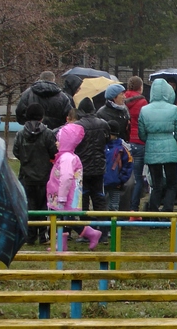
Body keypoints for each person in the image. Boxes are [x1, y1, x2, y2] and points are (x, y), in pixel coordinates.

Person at [46, 123, 102, 250]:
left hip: (64, 197)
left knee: (66, 219)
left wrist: (61, 197)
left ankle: (91, 234)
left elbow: (66, 178)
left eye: (58, 140)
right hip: (68, 196)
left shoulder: (66, 158)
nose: (56, 143)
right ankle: (62, 244)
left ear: (66, 142)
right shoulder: (69, 157)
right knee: (64, 219)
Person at [138, 78, 177, 215]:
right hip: (170, 148)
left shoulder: (144, 110)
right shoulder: (173, 109)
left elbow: (142, 134)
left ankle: (153, 212)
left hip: (152, 149)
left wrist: (151, 139)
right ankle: (167, 211)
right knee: (171, 183)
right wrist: (173, 138)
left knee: (156, 184)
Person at [12, 103, 58, 246]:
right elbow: (53, 152)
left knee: (29, 207)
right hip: (45, 176)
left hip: (26, 176)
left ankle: (30, 236)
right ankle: (43, 236)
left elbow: (16, 152)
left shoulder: (20, 134)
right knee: (44, 206)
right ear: (42, 117)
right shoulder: (48, 133)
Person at [74, 97, 111, 244]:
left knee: (82, 202)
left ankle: (86, 232)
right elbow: (107, 141)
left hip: (82, 168)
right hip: (99, 168)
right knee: (99, 201)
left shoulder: (77, 126)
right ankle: (103, 233)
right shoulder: (103, 124)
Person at [124, 76, 148, 218]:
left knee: (125, 177)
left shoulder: (122, 100)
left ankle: (122, 207)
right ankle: (134, 210)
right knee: (138, 177)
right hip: (139, 141)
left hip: (126, 141)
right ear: (140, 88)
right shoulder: (142, 102)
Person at [103, 120, 133, 213]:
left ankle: (113, 225)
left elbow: (128, 164)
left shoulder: (122, 147)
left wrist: (121, 179)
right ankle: (104, 225)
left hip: (116, 183)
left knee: (114, 206)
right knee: (103, 205)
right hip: (103, 182)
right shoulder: (102, 144)